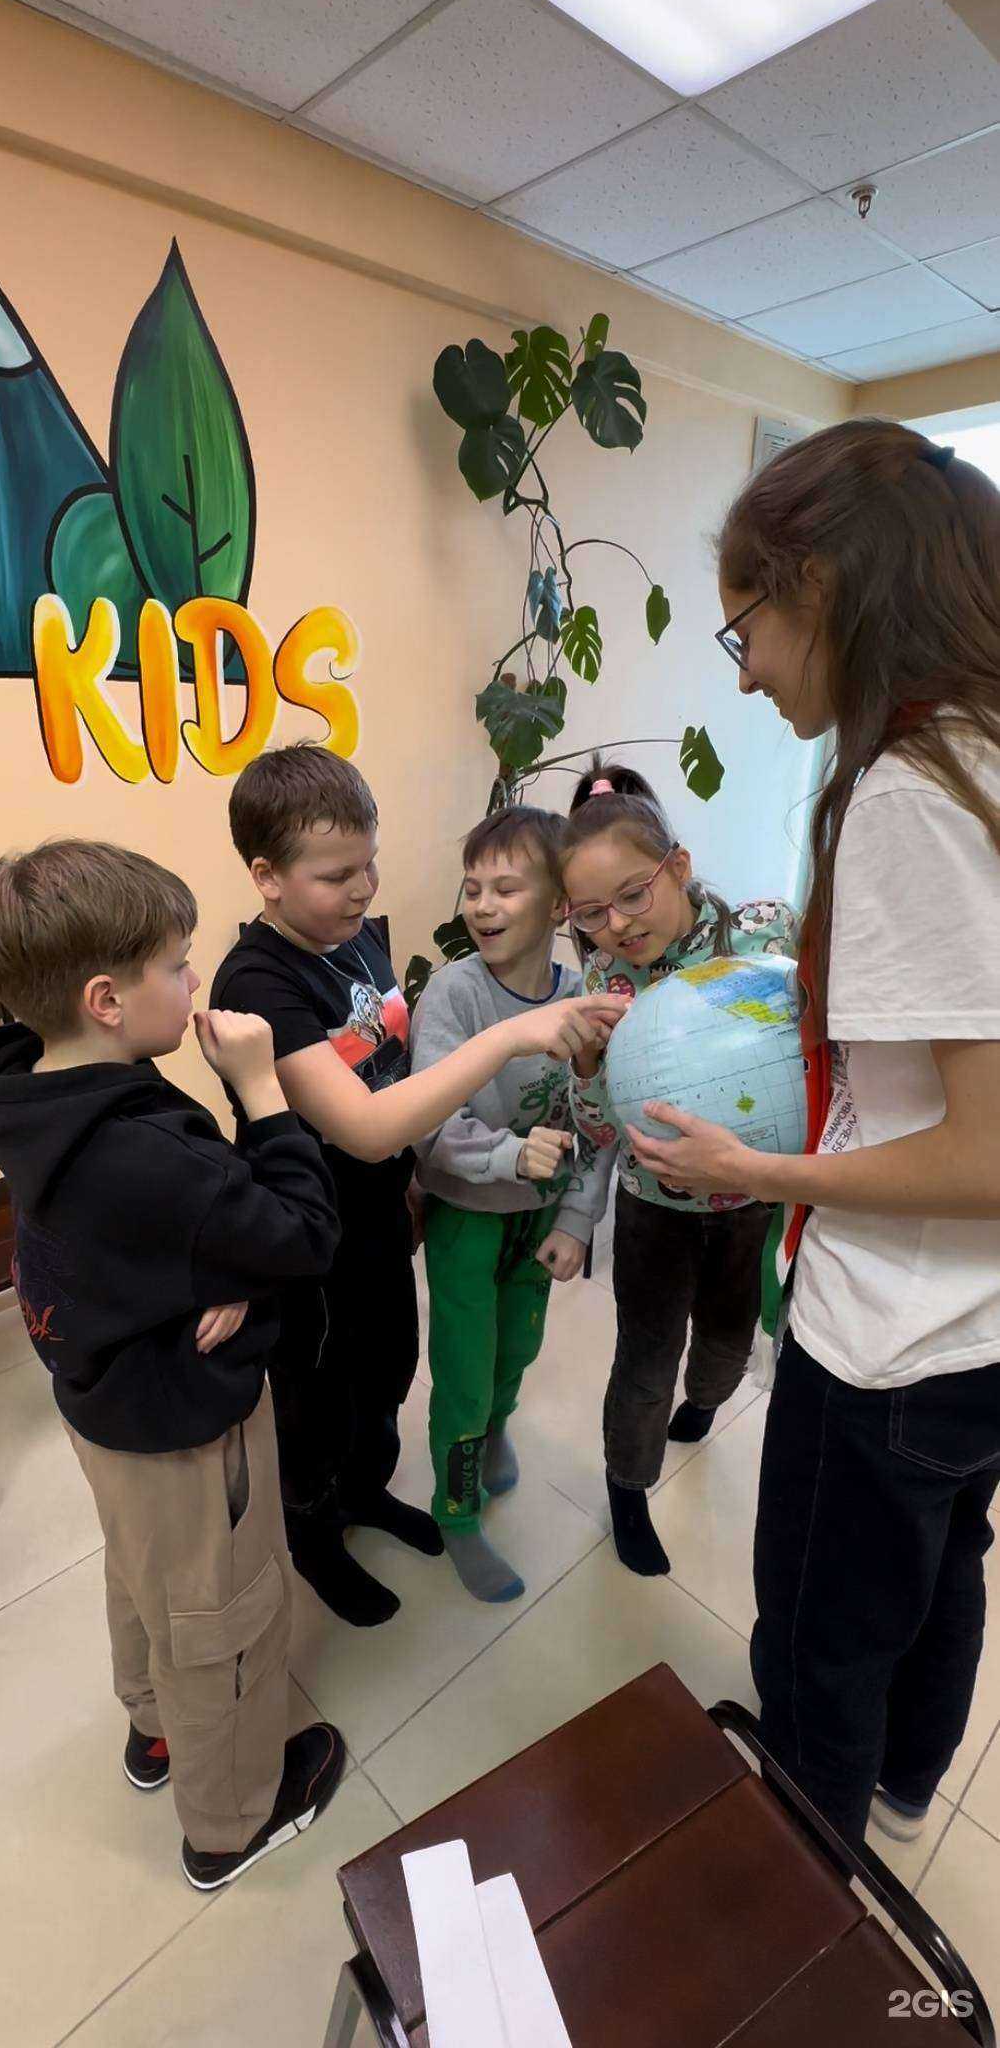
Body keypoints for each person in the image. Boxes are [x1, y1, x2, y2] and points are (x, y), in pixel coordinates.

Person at [624, 419, 1000, 1846]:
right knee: (940, 1566)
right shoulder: (980, 756)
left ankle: (802, 1891)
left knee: (816, 1643)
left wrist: (749, 1168)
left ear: (820, 591)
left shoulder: (911, 791)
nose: (752, 672)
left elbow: (980, 1154)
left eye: (745, 634)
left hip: (886, 1346)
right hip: (975, 1345)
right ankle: (907, 1784)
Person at [0, 839, 346, 1893]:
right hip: (186, 1428)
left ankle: (156, 1732)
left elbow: (164, 1233)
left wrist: (220, 1270)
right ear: (108, 997)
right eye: (179, 962)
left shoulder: (36, 1089)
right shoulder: (147, 1152)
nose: (197, 978)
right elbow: (302, 1234)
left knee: (146, 1575)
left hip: (105, 1403)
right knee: (226, 1612)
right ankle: (231, 1817)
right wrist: (260, 1093)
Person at [210, 747, 616, 1627]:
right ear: (266, 877)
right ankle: (315, 1536)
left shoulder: (349, 937)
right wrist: (510, 1039)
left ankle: (365, 1492)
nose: (362, 891)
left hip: (381, 1215)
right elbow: (363, 1121)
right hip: (308, 1235)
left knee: (388, 1365)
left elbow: (391, 1062)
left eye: (369, 866)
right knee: (320, 1392)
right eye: (335, 875)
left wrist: (419, 1188)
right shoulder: (257, 982)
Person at [562, 764, 797, 1578]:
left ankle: (702, 1407)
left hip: (750, 1199)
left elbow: (823, 1064)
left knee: (728, 1345)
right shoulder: (600, 982)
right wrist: (589, 1058)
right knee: (643, 1359)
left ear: (679, 867)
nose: (617, 925)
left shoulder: (767, 936)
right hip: (653, 1207)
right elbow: (596, 1126)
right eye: (590, 914)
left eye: (633, 894)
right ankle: (627, 1488)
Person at [411, 806, 618, 1603]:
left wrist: (573, 1219)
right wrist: (505, 1155)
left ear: (559, 905)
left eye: (505, 888)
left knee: (516, 1350)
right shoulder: (455, 997)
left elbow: (600, 1119)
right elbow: (426, 1119)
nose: (482, 906)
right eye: (471, 889)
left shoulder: (586, 997)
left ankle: (496, 1429)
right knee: (463, 1374)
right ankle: (455, 1514)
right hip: (466, 1217)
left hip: (538, 1218)